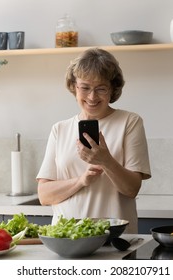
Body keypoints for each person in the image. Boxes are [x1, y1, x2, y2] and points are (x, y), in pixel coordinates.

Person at [36, 48, 151, 233]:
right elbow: (44, 195)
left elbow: (131, 190)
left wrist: (105, 160)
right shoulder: (60, 129)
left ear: (113, 89)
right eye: (85, 87)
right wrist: (81, 181)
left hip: (115, 238)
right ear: (74, 86)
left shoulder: (129, 122)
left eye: (101, 88)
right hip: (67, 239)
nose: (92, 96)